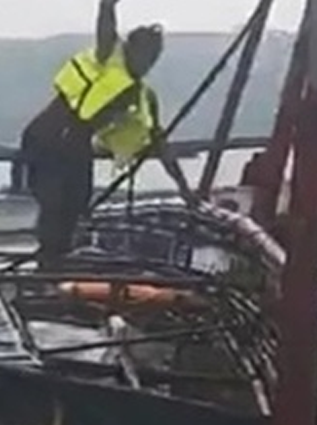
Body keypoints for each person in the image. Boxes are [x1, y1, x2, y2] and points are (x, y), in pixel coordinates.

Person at [20, 0, 192, 268]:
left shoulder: (144, 96)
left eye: (153, 58)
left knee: (78, 206)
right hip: (47, 138)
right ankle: (46, 268)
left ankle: (60, 266)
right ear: (130, 48)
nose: (147, 63)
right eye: (145, 54)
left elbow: (161, 143)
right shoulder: (108, 55)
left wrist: (185, 189)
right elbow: (105, 18)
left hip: (76, 147)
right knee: (54, 207)